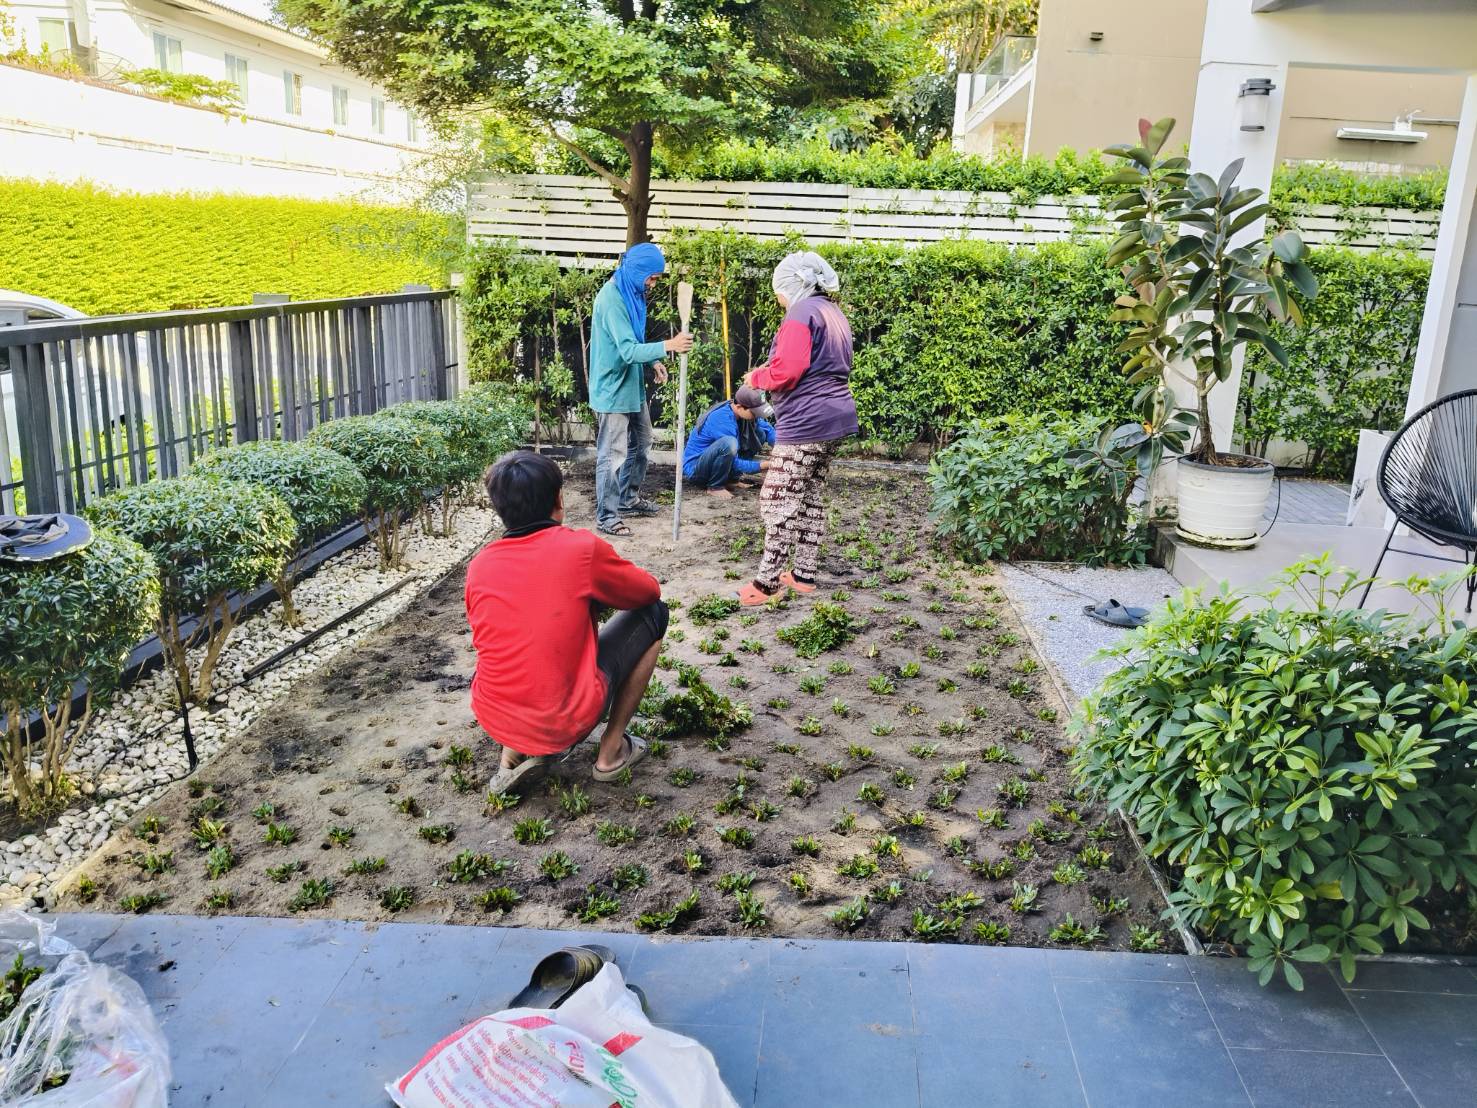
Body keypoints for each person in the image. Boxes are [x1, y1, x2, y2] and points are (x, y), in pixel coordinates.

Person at [467, 450, 668, 795]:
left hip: (492, 714)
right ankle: (610, 752)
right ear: (559, 499)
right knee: (655, 613)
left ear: (499, 510)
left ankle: (511, 756)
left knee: (510, 643)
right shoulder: (579, 549)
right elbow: (647, 591)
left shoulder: (479, 565)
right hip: (566, 718)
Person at [737, 251, 858, 605]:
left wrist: (756, 377)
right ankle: (803, 574)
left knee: (777, 498)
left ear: (792, 286)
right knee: (810, 496)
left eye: (779, 290)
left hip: (806, 421)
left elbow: (787, 372)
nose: (779, 298)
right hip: (835, 418)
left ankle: (767, 583)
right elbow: (817, 364)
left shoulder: (800, 314)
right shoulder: (833, 313)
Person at [589, 242, 693, 537]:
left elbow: (634, 338)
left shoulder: (631, 293)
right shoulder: (611, 300)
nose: (653, 282)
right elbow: (626, 350)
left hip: (631, 385)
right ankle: (607, 516)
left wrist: (655, 361)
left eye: (657, 278)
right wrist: (669, 346)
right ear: (637, 270)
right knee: (612, 454)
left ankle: (628, 498)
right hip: (613, 389)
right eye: (652, 276)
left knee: (643, 440)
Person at [682, 384, 776, 499]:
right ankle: (715, 486)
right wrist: (763, 466)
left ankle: (732, 480)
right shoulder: (722, 419)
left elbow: (769, 430)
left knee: (760, 433)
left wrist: (780, 451)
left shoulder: (744, 413)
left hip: (714, 464)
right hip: (697, 470)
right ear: (739, 407)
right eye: (755, 412)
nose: (757, 416)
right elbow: (734, 462)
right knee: (729, 443)